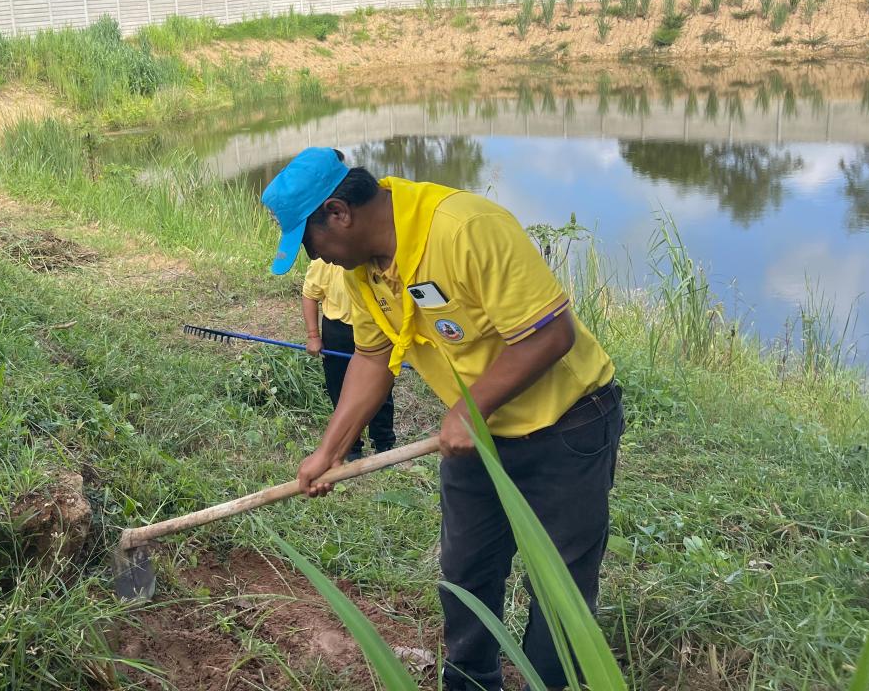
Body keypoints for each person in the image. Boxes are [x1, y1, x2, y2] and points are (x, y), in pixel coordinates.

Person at [262, 147, 623, 691]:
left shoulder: (464, 229)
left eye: (311, 244)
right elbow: (372, 356)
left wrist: (469, 407)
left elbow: (552, 333)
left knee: (558, 586)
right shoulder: (364, 268)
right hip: (476, 437)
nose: (320, 260)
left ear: (339, 213)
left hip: (566, 428)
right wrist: (330, 449)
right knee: (466, 573)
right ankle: (471, 683)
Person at [302, 256, 395, 460]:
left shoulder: (374, 260)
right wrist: (313, 336)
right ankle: (351, 447)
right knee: (340, 390)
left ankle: (384, 442)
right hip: (338, 331)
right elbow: (310, 295)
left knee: (380, 388)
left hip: (376, 329)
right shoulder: (323, 262)